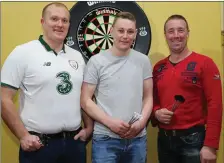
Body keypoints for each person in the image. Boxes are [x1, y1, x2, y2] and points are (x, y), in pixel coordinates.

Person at [1, 2, 93, 163]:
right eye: (54, 19)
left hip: (74, 144)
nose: (60, 24)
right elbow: (4, 99)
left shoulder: (77, 56)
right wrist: (23, 136)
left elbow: (84, 97)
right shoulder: (23, 53)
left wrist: (89, 128)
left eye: (64, 20)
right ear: (43, 22)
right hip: (39, 145)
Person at [80, 11, 153, 163]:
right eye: (121, 30)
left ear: (135, 34)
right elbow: (85, 100)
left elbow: (148, 97)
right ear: (111, 31)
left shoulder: (143, 61)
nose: (125, 36)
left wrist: (141, 123)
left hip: (137, 139)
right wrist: (110, 123)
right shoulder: (96, 61)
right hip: (105, 140)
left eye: (130, 31)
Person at [151, 14, 223, 163]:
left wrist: (210, 145)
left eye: (180, 30)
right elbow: (152, 99)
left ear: (188, 33)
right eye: (171, 31)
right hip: (164, 141)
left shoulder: (205, 63)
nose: (176, 35)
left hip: (194, 141)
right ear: (165, 35)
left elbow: (215, 105)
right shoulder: (158, 67)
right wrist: (156, 113)